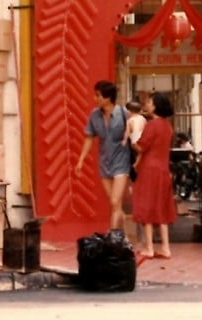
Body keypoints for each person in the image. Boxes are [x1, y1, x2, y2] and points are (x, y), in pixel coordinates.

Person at [74, 80, 131, 232]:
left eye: (98, 95)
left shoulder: (124, 114)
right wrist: (81, 160)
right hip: (105, 163)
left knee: (114, 200)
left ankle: (113, 236)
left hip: (121, 162)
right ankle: (124, 237)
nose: (95, 99)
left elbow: (135, 133)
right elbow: (89, 138)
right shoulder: (94, 115)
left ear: (108, 97)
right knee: (115, 204)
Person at [132, 91, 178, 264]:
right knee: (162, 207)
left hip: (149, 170)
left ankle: (149, 247)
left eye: (150, 102)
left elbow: (141, 147)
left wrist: (132, 140)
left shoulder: (152, 125)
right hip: (163, 169)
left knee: (146, 206)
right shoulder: (168, 126)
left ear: (156, 105)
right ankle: (165, 247)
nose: (148, 104)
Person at [123, 99, 146, 183]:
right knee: (141, 153)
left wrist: (124, 141)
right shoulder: (143, 118)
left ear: (129, 111)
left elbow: (127, 132)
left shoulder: (129, 121)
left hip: (134, 141)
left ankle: (136, 164)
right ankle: (137, 164)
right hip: (142, 140)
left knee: (138, 153)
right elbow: (145, 129)